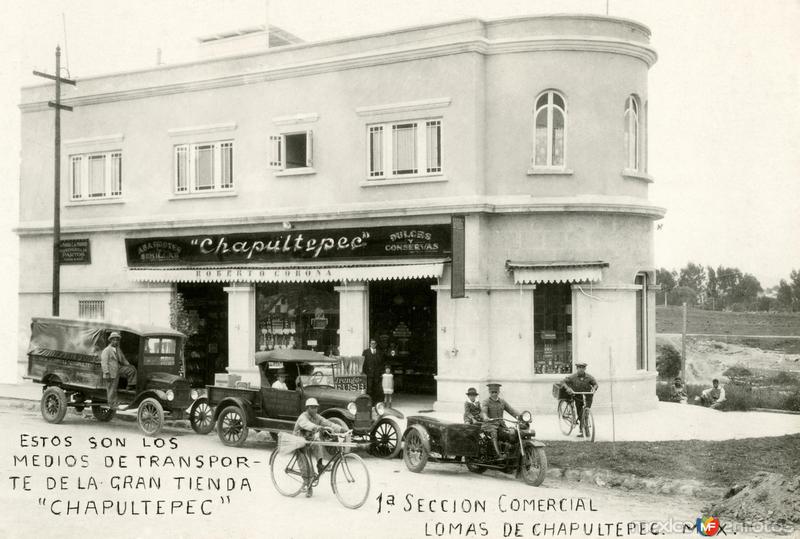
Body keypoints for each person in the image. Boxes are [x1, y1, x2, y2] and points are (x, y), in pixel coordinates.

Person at [293, 398, 347, 497]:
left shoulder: (317, 417)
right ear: (307, 408)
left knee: (318, 442)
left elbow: (328, 423)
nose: (315, 410)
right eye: (312, 408)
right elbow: (307, 424)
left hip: (309, 439)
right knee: (305, 465)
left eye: (316, 407)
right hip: (299, 441)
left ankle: (319, 464)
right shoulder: (303, 417)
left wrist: (341, 429)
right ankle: (308, 486)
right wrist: (317, 427)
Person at [480, 383, 520, 456]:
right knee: (494, 433)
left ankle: (509, 453)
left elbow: (512, 411)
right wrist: (485, 417)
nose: (494, 394)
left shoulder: (502, 402)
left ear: (498, 392)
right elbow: (484, 411)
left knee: (512, 434)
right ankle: (498, 454)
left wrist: (521, 417)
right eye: (492, 392)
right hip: (489, 425)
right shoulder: (486, 401)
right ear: (489, 392)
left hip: (501, 425)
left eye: (496, 392)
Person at [560, 361, 598, 437]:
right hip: (577, 395)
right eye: (579, 368)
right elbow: (563, 382)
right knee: (580, 411)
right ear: (577, 368)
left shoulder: (589, 377)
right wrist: (568, 389)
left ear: (585, 369)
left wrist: (594, 388)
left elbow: (595, 384)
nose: (581, 369)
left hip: (588, 395)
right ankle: (583, 429)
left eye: (583, 368)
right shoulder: (572, 377)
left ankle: (584, 427)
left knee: (586, 411)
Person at [100, 331, 137, 409]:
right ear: (110, 340)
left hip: (118, 369)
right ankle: (112, 404)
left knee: (132, 369)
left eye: (117, 340)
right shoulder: (107, 350)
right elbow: (104, 362)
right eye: (114, 340)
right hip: (111, 372)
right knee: (112, 389)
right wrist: (106, 373)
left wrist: (129, 365)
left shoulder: (118, 349)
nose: (115, 341)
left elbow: (123, 359)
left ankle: (131, 385)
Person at [361, 338, 384, 403]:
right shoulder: (365, 352)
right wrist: (364, 372)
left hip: (377, 374)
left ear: (376, 344)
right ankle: (369, 402)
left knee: (377, 389)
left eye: (374, 343)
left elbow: (382, 363)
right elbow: (363, 363)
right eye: (371, 343)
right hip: (369, 374)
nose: (373, 345)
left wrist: (381, 372)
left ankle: (376, 403)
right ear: (369, 344)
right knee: (369, 389)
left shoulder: (379, 352)